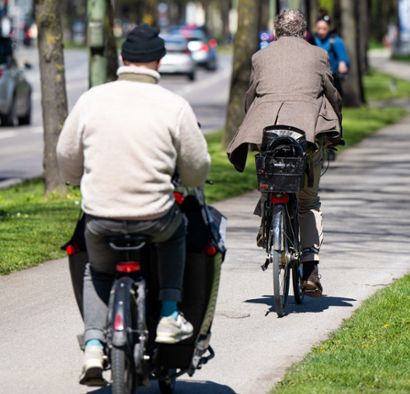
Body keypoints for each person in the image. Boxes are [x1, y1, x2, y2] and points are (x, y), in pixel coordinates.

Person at [56, 24, 211, 386]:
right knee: (176, 234)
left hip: (101, 218)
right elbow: (197, 166)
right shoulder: (174, 105)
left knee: (98, 271)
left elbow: (66, 156)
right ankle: (170, 313)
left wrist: (75, 176)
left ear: (123, 59)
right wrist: (188, 180)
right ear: (159, 60)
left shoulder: (91, 100)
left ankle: (94, 344)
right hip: (154, 216)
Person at [227, 9, 342, 297]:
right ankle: (310, 269)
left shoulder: (261, 56)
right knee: (307, 201)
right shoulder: (318, 54)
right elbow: (331, 93)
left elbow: (251, 95)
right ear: (304, 31)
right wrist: (334, 127)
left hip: (268, 132)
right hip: (305, 136)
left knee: (270, 177)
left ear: (276, 31)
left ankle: (269, 219)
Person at [313, 13, 350, 97]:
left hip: (332, 79)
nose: (321, 31)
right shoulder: (313, 40)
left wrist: (342, 63)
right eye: (319, 28)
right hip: (316, 78)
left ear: (329, 28)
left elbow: (343, 57)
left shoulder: (335, 40)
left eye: (324, 29)